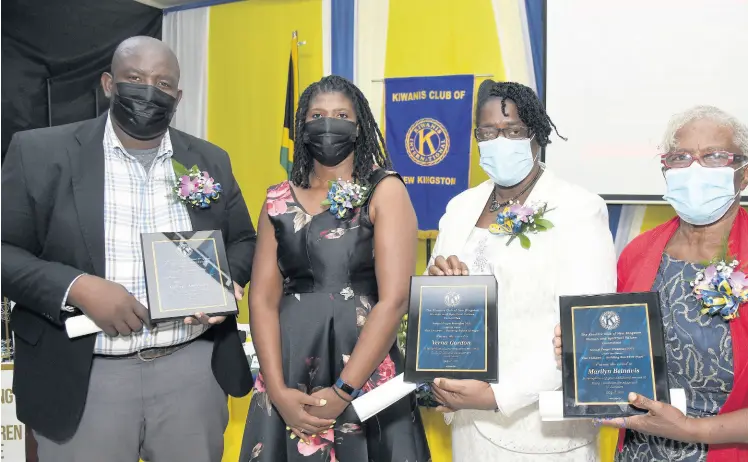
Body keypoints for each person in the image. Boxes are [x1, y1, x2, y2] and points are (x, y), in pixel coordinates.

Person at [1, 36, 256, 462]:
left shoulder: (210, 160)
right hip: (84, 373)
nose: (148, 90)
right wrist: (78, 288)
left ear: (177, 95)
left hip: (191, 370)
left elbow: (245, 241)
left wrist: (222, 282)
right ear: (108, 84)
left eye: (162, 82)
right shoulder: (40, 153)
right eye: (135, 78)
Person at [554, 105, 748, 461]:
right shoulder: (637, 253)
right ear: (665, 171)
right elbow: (626, 361)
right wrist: (583, 351)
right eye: (680, 157)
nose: (695, 169)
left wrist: (693, 430)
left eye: (714, 157)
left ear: (744, 175)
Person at [239, 75, 431, 462]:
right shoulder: (277, 199)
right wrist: (277, 390)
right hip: (287, 366)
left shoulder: (384, 189)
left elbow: (395, 300)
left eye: (341, 115)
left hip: (364, 365)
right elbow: (261, 298)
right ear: (303, 128)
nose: (329, 123)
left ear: (358, 127)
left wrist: (345, 389)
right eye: (317, 115)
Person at [425, 79, 617, 461]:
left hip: (542, 435)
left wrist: (500, 394)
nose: (500, 140)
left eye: (513, 130)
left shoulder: (578, 208)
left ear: (536, 135)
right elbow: (441, 308)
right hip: (470, 421)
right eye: (488, 132)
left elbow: (587, 334)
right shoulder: (461, 207)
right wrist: (440, 282)